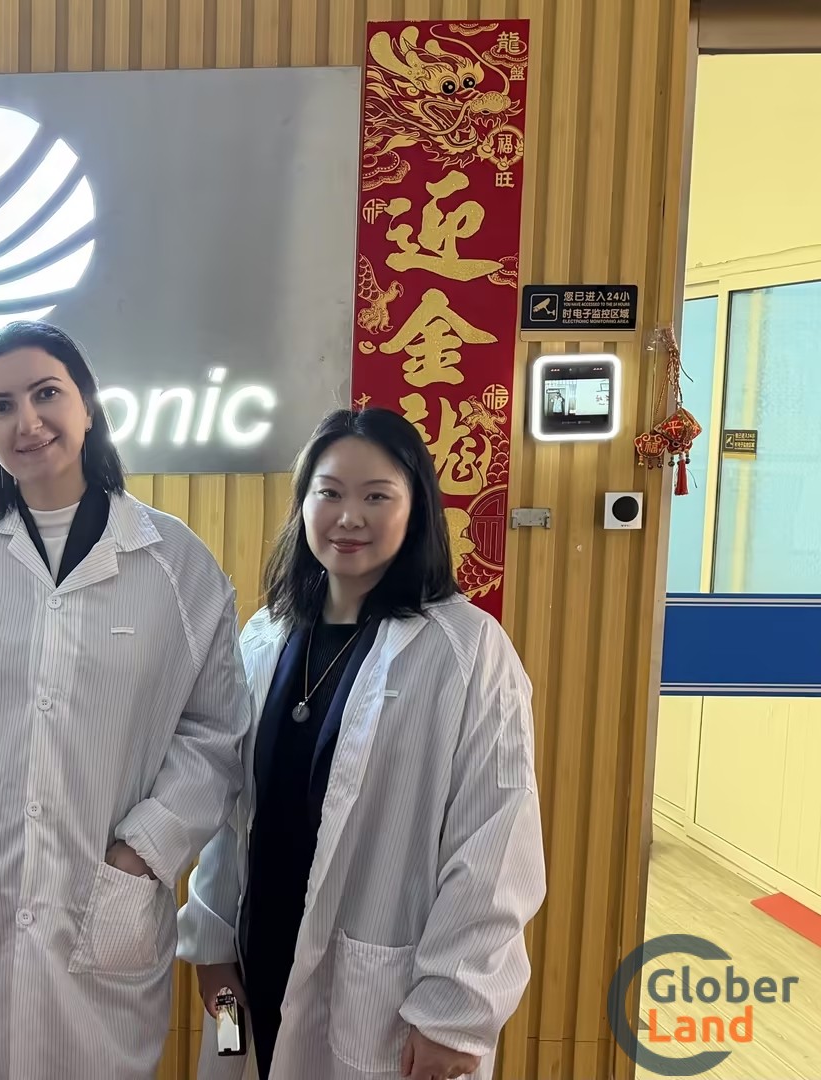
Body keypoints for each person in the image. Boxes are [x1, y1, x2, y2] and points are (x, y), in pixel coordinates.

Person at [0, 321, 250, 1080]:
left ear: (87, 405)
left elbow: (216, 733)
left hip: (103, 908)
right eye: (0, 406)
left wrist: (143, 851)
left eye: (46, 393)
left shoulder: (176, 566)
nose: (27, 421)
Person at [177, 407, 547, 1080]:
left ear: (416, 509)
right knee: (236, 1062)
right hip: (245, 975)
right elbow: (229, 813)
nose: (349, 517)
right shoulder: (267, 634)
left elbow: (496, 843)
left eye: (377, 496)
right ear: (303, 504)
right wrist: (210, 947)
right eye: (330, 493)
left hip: (387, 999)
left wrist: (453, 1016)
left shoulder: (465, 650)